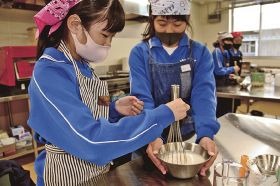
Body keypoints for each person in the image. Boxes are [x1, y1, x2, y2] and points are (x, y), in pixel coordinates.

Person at [28, 0, 190, 185]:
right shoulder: (50, 72)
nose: (108, 44)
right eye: (105, 35)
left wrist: (114, 108)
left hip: (96, 176)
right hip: (68, 177)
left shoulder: (82, 65)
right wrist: (164, 114)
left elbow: (85, 107)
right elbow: (92, 142)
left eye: (112, 37)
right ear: (75, 25)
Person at [129, 0, 220, 176]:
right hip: (149, 139)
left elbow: (204, 95)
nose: (169, 30)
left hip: (186, 139)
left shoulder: (199, 53)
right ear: (152, 19)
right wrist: (152, 134)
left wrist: (206, 134)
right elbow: (142, 98)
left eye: (177, 23)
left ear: (187, 20)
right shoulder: (140, 53)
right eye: (162, 23)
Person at [212, 32, 240, 117]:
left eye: (231, 40)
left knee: (227, 108)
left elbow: (224, 68)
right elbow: (218, 71)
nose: (230, 43)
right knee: (220, 109)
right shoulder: (217, 52)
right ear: (221, 42)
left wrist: (229, 75)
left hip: (224, 83)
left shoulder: (226, 53)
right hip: (218, 84)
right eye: (227, 40)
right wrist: (233, 69)